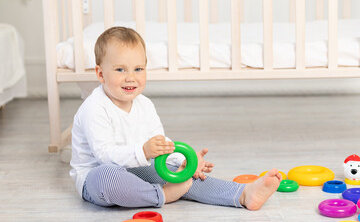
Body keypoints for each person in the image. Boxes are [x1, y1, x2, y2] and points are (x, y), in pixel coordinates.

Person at [70, 26, 282, 210]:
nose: (130, 77)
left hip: (138, 170)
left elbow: (161, 148)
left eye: (138, 69)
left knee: (177, 173)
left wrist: (186, 162)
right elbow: (104, 156)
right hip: (97, 177)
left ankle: (243, 194)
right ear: (100, 74)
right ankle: (162, 195)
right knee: (107, 177)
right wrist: (143, 151)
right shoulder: (94, 108)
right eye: (120, 69)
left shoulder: (145, 104)